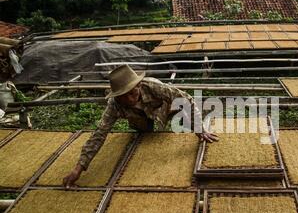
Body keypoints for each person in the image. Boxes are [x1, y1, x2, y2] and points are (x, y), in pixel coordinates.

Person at [63, 65, 218, 188]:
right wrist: (79, 168)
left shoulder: (153, 86)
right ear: (117, 96)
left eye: (134, 91)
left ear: (138, 84)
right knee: (145, 143)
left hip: (167, 111)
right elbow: (99, 134)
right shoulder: (114, 105)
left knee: (184, 122)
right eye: (125, 95)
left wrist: (199, 128)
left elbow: (186, 99)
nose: (132, 97)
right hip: (141, 121)